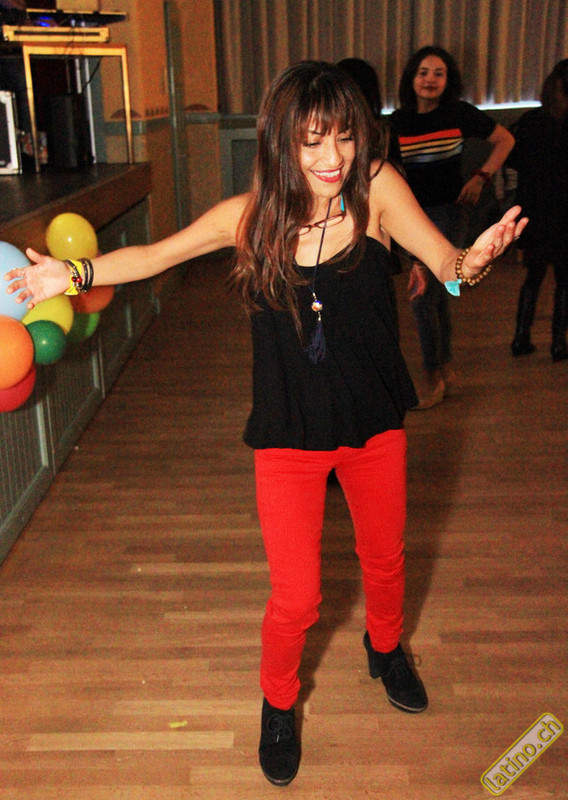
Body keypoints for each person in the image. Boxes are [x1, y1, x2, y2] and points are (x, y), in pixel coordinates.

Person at [4, 61, 526, 787]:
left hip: (373, 418)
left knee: (385, 557)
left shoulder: (376, 190)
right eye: (314, 141)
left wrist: (475, 261)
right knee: (297, 597)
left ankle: (385, 649)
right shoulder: (249, 218)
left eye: (345, 136)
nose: (333, 156)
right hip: (287, 434)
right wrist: (72, 275)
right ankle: (279, 704)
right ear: (283, 141)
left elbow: (446, 266)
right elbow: (155, 255)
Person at [390, 46, 515, 408]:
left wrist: (481, 176)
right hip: (412, 217)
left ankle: (433, 378)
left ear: (448, 80)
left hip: (450, 212)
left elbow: (505, 140)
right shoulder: (398, 122)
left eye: (438, 73)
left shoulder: (458, 113)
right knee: (436, 295)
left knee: (424, 297)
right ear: (411, 78)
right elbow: (393, 175)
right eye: (423, 72)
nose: (430, 80)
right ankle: (444, 370)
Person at [508, 59, 568, 362]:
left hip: (534, 210)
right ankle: (558, 344)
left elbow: (512, 158)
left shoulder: (530, 121)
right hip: (565, 213)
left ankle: (521, 338)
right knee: (564, 281)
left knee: (533, 276)